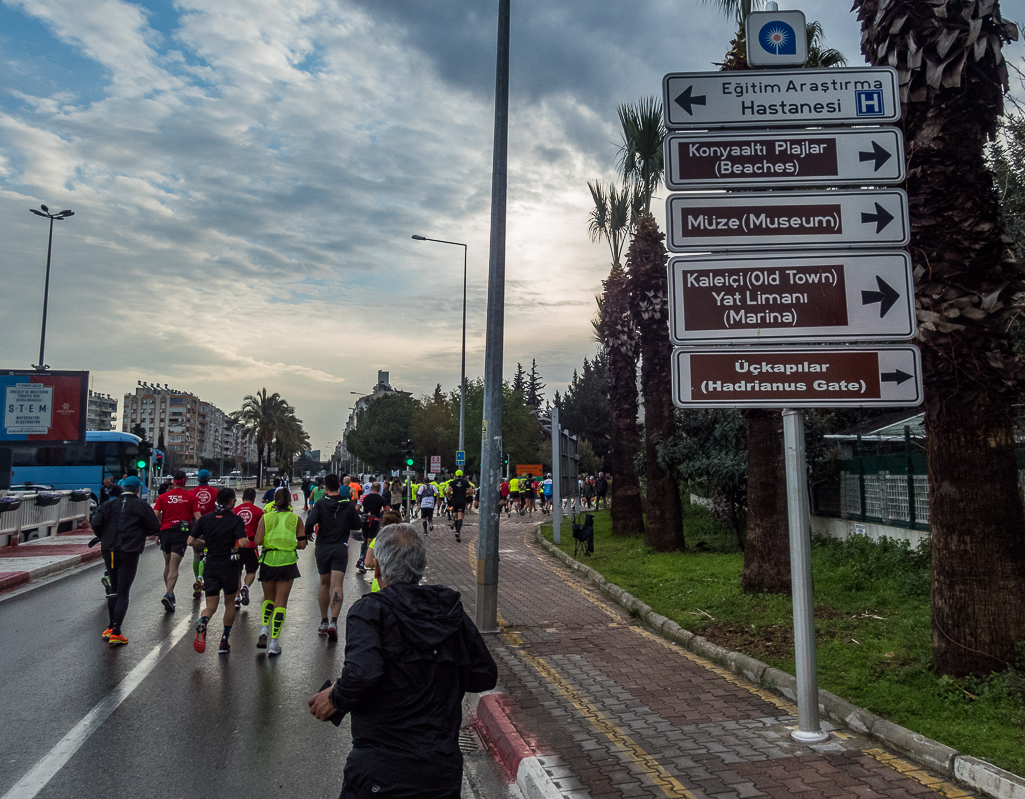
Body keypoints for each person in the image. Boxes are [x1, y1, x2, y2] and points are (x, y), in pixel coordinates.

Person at [308, 524, 498, 798]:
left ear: (378, 569)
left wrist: (335, 698)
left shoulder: (370, 610)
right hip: (440, 771)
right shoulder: (447, 609)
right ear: (423, 564)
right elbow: (483, 674)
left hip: (380, 771)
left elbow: (363, 673)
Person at [89, 476, 159, 645]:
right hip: (129, 550)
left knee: (114, 588)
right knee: (123, 591)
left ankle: (110, 627)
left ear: (122, 487)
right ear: (137, 489)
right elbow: (154, 527)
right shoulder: (141, 506)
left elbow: (95, 523)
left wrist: (103, 535)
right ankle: (116, 631)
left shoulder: (108, 504)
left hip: (109, 549)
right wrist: (141, 532)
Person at [188, 488, 249, 655]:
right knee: (230, 604)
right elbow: (243, 542)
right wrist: (241, 542)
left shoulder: (206, 519)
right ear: (231, 501)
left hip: (211, 564)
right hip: (229, 565)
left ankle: (204, 621)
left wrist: (206, 545)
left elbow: (190, 540)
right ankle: (224, 640)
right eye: (234, 500)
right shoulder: (236, 520)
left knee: (210, 606)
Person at [307, 474, 362, 642]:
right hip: (340, 547)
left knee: (324, 584)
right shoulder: (347, 504)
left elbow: (309, 522)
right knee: (337, 585)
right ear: (339, 485)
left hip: (323, 547)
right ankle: (334, 622)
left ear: (325, 487)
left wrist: (308, 533)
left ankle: (323, 621)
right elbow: (357, 524)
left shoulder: (320, 503)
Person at [255, 487, 307, 655]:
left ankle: (264, 629)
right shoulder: (296, 519)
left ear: (274, 500)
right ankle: (274, 643)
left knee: (268, 599)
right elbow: (302, 544)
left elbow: (258, 540)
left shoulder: (266, 518)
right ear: (290, 500)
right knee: (281, 603)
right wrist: (289, 543)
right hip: (287, 562)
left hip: (268, 561)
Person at [153, 470, 200, 613]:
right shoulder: (190, 497)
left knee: (167, 564)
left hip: (165, 532)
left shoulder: (163, 497)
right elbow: (198, 518)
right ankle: (169, 593)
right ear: (185, 481)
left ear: (173, 481)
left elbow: (155, 515)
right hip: (181, 532)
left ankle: (170, 593)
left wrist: (157, 532)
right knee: (174, 566)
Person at [233, 487, 264, 609]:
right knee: (251, 570)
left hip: (236, 545)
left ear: (242, 498)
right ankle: (246, 587)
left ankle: (236, 599)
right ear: (254, 498)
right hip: (251, 545)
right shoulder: (258, 511)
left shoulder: (234, 510)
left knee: (237, 572)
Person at [189, 470, 217, 599]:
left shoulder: (191, 493)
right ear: (209, 479)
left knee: (196, 554)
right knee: (208, 553)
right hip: (211, 525)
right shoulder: (215, 492)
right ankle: (203, 579)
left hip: (196, 525)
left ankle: (197, 579)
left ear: (198, 479)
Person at [357, 481, 387, 574]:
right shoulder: (381, 498)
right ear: (379, 489)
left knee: (365, 541)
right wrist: (381, 512)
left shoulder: (364, 497)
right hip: (375, 521)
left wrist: (362, 514)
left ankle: (361, 557)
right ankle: (362, 561)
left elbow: (356, 508)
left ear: (371, 488)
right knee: (370, 543)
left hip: (365, 521)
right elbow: (387, 510)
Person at [447, 470, 471, 543]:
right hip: (462, 500)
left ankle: (456, 530)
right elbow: (471, 491)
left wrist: (449, 497)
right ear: (462, 475)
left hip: (454, 500)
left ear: (455, 475)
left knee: (456, 516)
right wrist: (466, 494)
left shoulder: (452, 482)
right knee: (460, 516)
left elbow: (448, 491)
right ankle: (458, 531)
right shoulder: (465, 482)